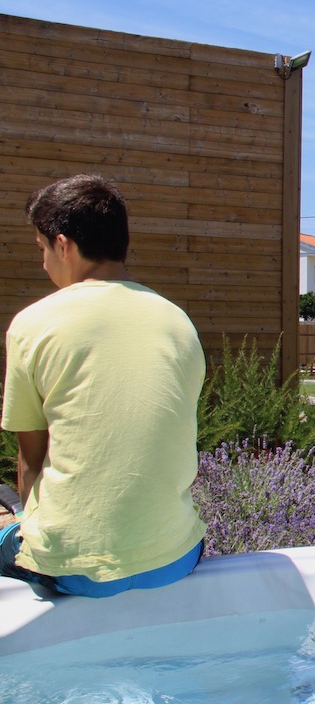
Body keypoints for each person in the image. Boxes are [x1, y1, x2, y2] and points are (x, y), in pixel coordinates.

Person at [0, 175, 206, 597]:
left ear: (64, 245)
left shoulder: (33, 324)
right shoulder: (177, 322)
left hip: (76, 571)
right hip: (174, 557)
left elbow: (30, 462)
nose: (43, 264)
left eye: (42, 249)